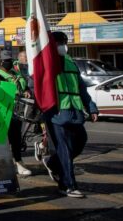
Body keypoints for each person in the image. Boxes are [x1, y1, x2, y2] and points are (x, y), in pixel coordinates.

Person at [41, 31, 99, 198]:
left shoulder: (71, 62)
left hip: (75, 111)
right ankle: (67, 185)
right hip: (56, 113)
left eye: (64, 42)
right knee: (64, 149)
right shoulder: (46, 63)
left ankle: (52, 163)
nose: (63, 45)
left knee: (80, 141)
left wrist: (91, 108)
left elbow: (81, 89)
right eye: (59, 42)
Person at [0, 50, 32, 176]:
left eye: (9, 60)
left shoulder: (15, 72)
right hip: (3, 109)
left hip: (17, 109)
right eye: (5, 61)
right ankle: (9, 163)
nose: (8, 63)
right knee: (4, 139)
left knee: (16, 137)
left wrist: (26, 89)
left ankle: (18, 161)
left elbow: (23, 85)